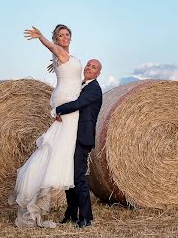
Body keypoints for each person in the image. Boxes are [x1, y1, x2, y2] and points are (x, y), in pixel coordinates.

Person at [8, 24, 82, 228]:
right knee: (61, 147)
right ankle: (47, 183)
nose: (64, 37)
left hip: (64, 97)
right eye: (60, 35)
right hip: (67, 101)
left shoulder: (63, 56)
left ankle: (48, 186)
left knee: (58, 144)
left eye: (67, 34)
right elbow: (52, 49)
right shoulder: (57, 51)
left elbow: (62, 62)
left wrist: (57, 62)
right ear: (56, 39)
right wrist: (41, 37)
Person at [54, 58, 103, 228]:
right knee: (69, 176)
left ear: (99, 73)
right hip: (70, 135)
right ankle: (71, 213)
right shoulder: (80, 85)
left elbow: (78, 104)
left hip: (82, 138)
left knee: (78, 177)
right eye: (88, 65)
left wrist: (58, 110)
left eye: (94, 67)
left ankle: (86, 217)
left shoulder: (94, 89)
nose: (90, 68)